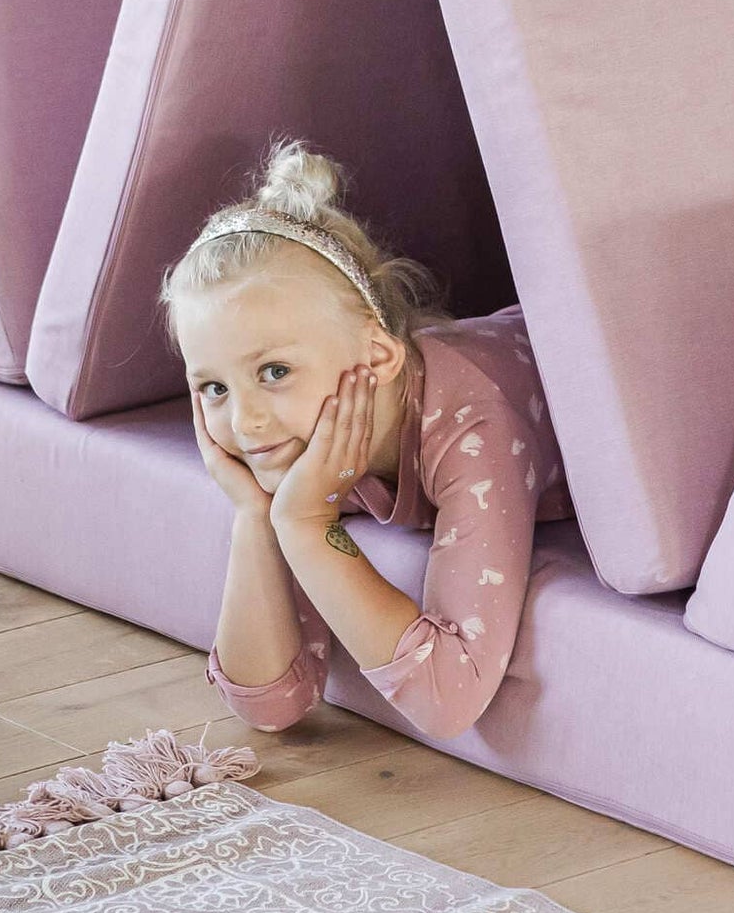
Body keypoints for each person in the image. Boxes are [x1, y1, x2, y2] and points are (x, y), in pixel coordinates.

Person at [162, 138, 573, 739]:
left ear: (376, 355)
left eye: (273, 372)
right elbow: (272, 706)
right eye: (214, 388)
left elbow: (449, 701)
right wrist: (257, 514)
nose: (244, 422)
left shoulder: (472, 428)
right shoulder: (305, 437)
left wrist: (305, 524)